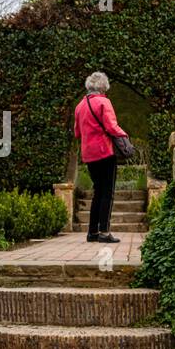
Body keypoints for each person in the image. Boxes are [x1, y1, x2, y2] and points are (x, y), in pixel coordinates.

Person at [73, 71, 129, 244]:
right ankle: (104, 232)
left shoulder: (79, 106)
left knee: (97, 192)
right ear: (103, 87)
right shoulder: (104, 102)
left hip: (88, 154)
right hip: (105, 152)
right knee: (107, 193)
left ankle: (92, 232)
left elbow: (77, 133)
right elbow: (112, 127)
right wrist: (125, 136)